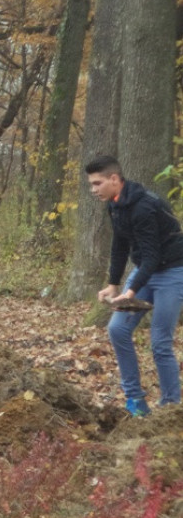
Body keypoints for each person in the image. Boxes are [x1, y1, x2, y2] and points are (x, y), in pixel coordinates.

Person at [87, 155, 183, 416]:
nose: (93, 190)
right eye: (91, 185)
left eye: (97, 184)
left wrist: (131, 292)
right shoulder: (115, 205)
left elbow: (152, 255)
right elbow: (119, 246)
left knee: (160, 342)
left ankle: (170, 408)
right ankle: (135, 400)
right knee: (118, 330)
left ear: (114, 179)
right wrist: (113, 285)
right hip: (146, 272)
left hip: (173, 273)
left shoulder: (144, 207)